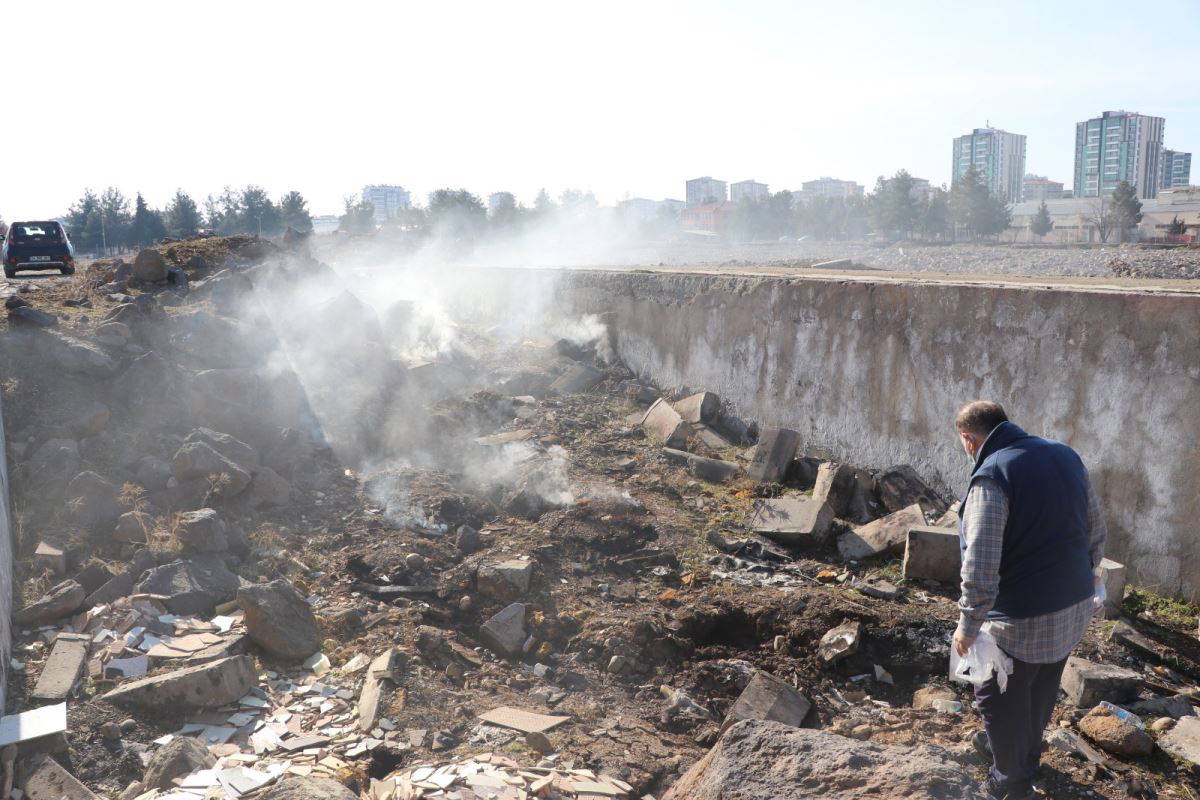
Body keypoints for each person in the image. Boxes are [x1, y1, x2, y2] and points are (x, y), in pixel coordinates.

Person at [952, 401, 1106, 800]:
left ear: (969, 439)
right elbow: (1095, 527)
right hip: (1073, 605)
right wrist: (1088, 575)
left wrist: (968, 626)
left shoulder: (993, 476)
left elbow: (981, 563)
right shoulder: (1064, 454)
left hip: (1020, 619)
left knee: (997, 699)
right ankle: (1027, 756)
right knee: (1040, 688)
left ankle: (1010, 783)